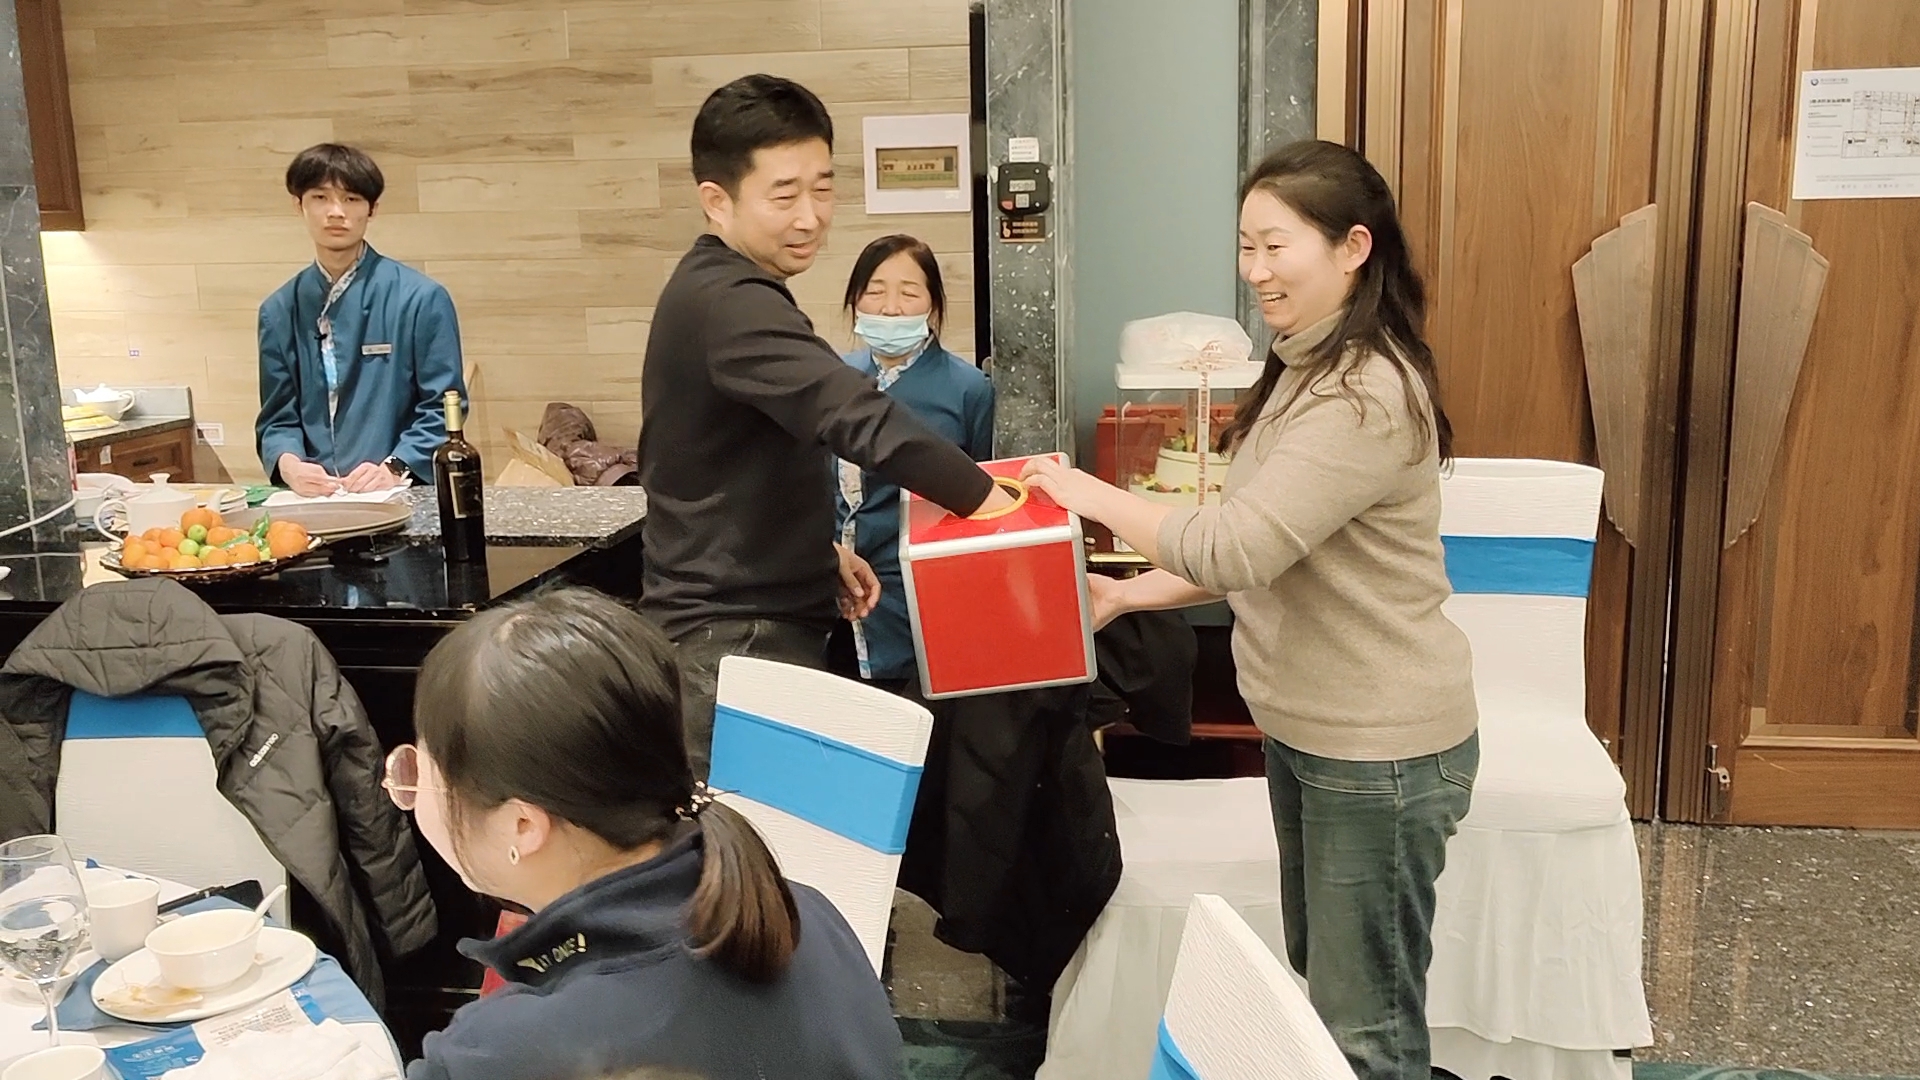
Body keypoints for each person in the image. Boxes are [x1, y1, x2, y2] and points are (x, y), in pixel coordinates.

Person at [1019, 139, 1479, 1080]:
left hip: (1378, 751)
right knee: (1326, 987)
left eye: (1277, 247)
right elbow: (1260, 550)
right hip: (1314, 733)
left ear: (1353, 247)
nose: (1256, 271)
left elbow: (1236, 546)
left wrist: (1089, 494)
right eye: (1246, 247)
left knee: (1366, 1025)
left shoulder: (1364, 394)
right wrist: (1124, 594)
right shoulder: (1303, 367)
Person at [639, 74, 1012, 776]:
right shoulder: (730, 303)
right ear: (717, 200)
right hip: (730, 642)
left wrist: (817, 552)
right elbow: (851, 412)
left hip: (751, 620)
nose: (811, 217)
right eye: (784, 196)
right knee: (751, 845)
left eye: (823, 188)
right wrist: (995, 502)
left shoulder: (735, 289)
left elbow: (744, 460)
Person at [394, 588, 903, 1080]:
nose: (406, 789)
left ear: (522, 826)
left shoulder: (499, 1055)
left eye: (419, 771)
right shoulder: (807, 913)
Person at [831, 234, 995, 691]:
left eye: (908, 292)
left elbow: (985, 496)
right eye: (875, 291)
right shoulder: (833, 376)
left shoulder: (968, 389)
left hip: (922, 595)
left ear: (932, 303)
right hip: (833, 593)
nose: (890, 308)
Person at [256, 143, 468, 497]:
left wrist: (395, 467)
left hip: (402, 493)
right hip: (317, 501)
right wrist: (290, 465)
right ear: (298, 205)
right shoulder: (278, 310)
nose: (336, 212)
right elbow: (277, 417)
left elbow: (445, 406)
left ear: (373, 209)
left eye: (351, 199)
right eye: (320, 197)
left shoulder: (421, 298)